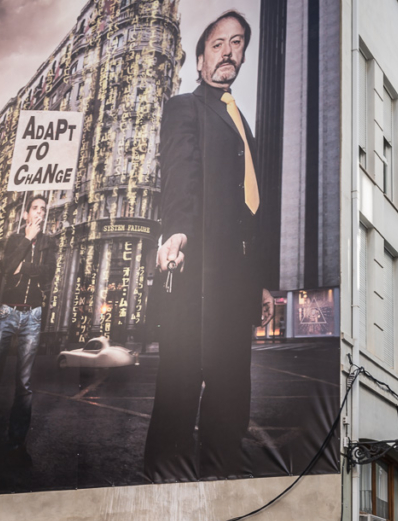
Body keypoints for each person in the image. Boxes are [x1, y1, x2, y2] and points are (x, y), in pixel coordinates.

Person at [144, 10, 273, 482]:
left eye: (237, 43)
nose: (228, 52)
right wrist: (176, 230)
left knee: (232, 391)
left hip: (237, 286)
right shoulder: (185, 107)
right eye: (218, 44)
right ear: (200, 60)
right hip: (195, 276)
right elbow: (181, 174)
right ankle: (163, 484)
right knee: (179, 387)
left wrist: (260, 284)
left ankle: (220, 480)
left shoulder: (242, 124)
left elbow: (250, 213)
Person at [0, 195, 56, 455]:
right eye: (35, 208)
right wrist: (26, 240)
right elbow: (6, 267)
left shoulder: (49, 243)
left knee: (23, 383)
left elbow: (48, 273)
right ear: (26, 214)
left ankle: (16, 441)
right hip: (7, 312)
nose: (39, 213)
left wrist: (22, 266)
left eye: (43, 209)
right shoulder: (13, 240)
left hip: (32, 315)